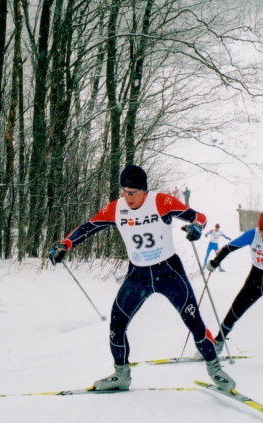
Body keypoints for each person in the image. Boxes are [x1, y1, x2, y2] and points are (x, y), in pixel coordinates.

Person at [48, 164, 236, 392]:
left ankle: (215, 369)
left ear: (144, 191)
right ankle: (121, 375)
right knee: (117, 324)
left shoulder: (161, 201)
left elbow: (200, 217)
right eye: (124, 192)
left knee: (194, 323)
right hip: (138, 275)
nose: (128, 198)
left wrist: (196, 228)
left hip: (168, 272)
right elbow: (89, 227)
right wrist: (65, 244)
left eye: (133, 193)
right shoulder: (116, 208)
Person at [204, 211, 263, 366]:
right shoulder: (252, 235)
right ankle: (218, 343)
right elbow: (229, 247)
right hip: (255, 279)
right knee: (235, 311)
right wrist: (215, 261)